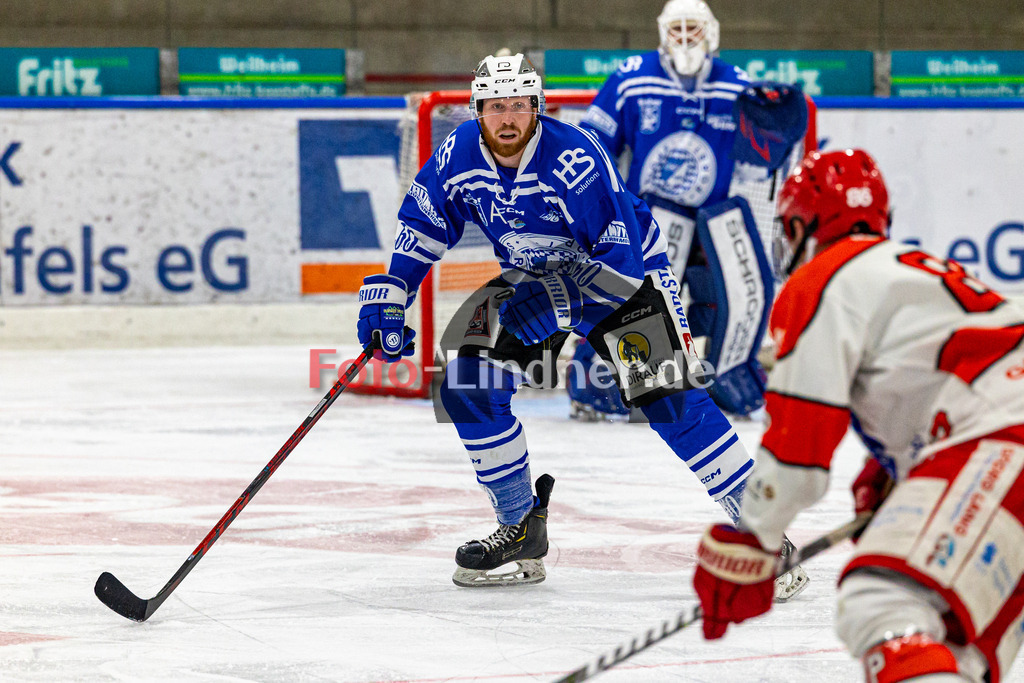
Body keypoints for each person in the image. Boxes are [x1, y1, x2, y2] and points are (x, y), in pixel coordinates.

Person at [356, 52, 807, 598]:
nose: (507, 118)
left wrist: (558, 297)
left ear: (536, 107)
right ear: (477, 110)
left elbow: (620, 265)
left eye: (519, 105)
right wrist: (392, 292)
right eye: (496, 106)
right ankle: (521, 527)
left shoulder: (575, 157)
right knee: (467, 385)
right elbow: (424, 225)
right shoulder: (456, 155)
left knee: (669, 397)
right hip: (531, 279)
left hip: (623, 277)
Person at [692, 148, 1024, 682]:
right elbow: (937, 377)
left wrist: (755, 537)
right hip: (996, 437)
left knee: (883, 601)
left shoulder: (821, 281)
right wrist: (902, 472)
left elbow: (800, 445)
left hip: (1001, 439)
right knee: (943, 630)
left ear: (803, 223)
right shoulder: (915, 270)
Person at [576, 0, 810, 418]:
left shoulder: (735, 84)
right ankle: (600, 385)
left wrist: (773, 143)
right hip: (645, 220)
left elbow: (758, 163)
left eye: (694, 28)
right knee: (624, 301)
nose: (685, 37)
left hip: (709, 225)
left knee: (731, 300)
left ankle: (723, 382)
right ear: (662, 31)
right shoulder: (630, 78)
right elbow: (593, 145)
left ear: (712, 32)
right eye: (677, 28)